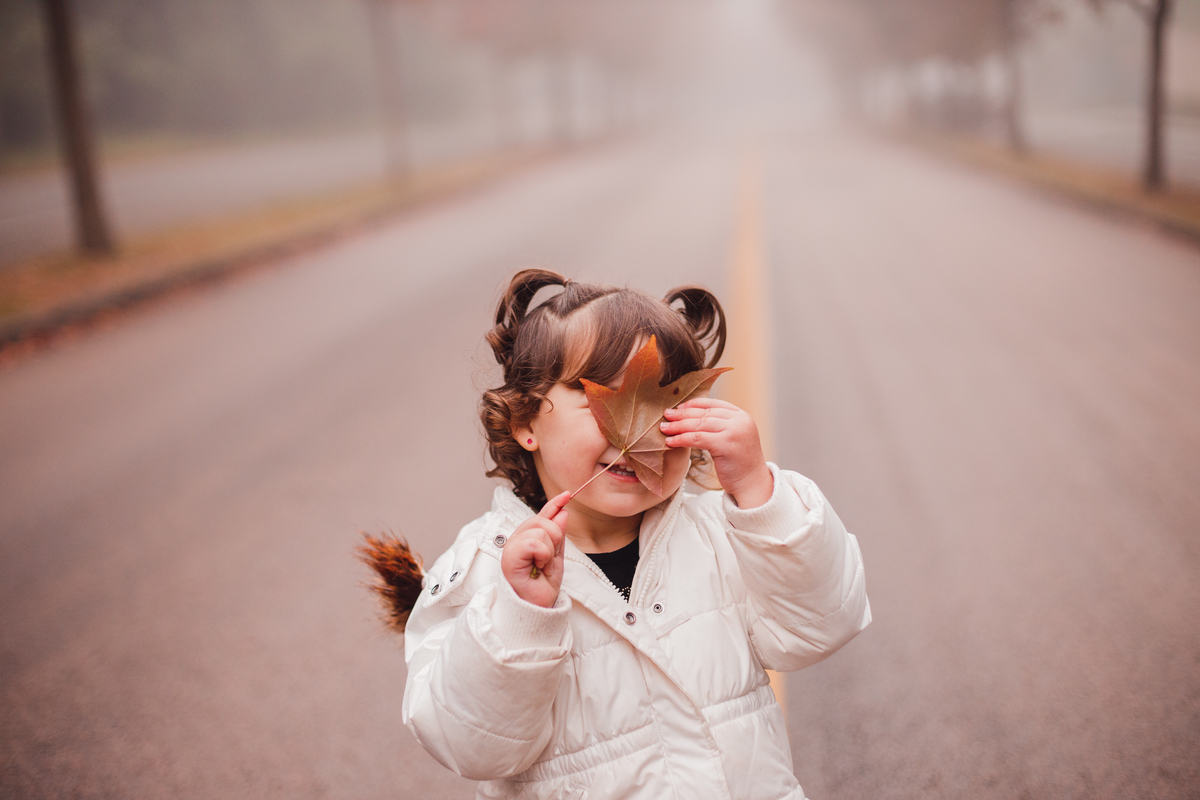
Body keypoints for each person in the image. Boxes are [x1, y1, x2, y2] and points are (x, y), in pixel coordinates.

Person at [399, 268, 870, 799]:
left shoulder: (722, 534)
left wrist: (760, 494)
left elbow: (823, 624)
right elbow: (471, 745)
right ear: (525, 421)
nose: (642, 428)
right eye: (602, 396)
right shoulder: (487, 571)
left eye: (667, 403)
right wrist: (521, 617)